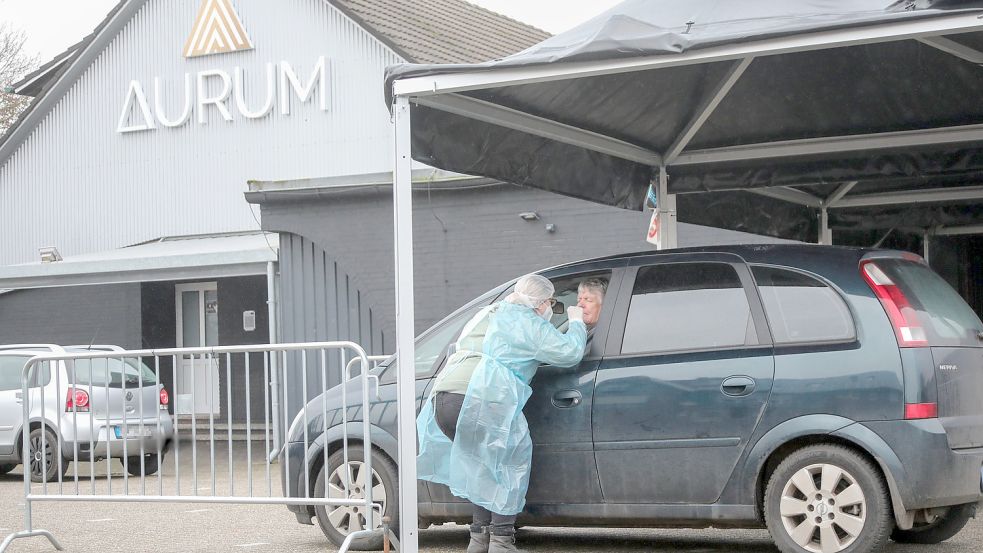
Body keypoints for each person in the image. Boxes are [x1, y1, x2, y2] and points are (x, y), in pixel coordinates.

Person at [417, 274, 588, 553]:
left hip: (444, 398)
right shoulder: (527, 323)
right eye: (550, 302)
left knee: (482, 466)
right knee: (509, 465)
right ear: (540, 302)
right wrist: (578, 322)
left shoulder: (488, 312)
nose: (550, 308)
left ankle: (478, 540)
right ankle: (501, 542)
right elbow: (569, 353)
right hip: (483, 398)